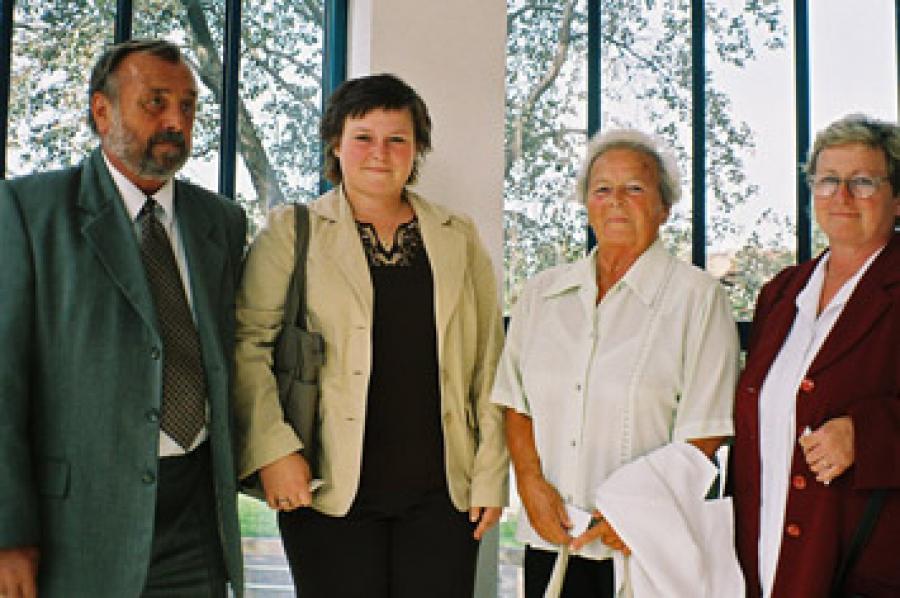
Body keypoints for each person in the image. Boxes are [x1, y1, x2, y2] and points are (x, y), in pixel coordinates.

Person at [233, 73, 507, 597]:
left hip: (442, 493)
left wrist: (491, 473)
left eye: (397, 139)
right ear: (337, 143)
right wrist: (272, 451)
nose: (379, 153)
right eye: (363, 137)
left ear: (417, 149)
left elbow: (489, 361)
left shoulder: (458, 236)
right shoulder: (291, 231)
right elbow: (249, 345)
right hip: (325, 488)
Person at [0, 39, 247, 597]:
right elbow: (3, 384)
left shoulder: (222, 223)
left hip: (196, 523)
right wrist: (7, 534)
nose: (175, 121)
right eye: (154, 102)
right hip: (79, 526)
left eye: (187, 106)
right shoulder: (28, 212)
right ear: (101, 110)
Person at [492, 128, 740, 597]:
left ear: (664, 207)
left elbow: (705, 428)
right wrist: (528, 482)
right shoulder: (542, 294)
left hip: (642, 545)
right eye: (602, 189)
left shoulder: (697, 298)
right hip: (552, 533)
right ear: (586, 203)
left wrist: (638, 516)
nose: (616, 201)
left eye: (635, 188)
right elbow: (515, 402)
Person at [732, 114, 900, 597]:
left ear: (896, 196)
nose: (841, 197)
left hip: (863, 567)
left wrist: (865, 436)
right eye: (828, 180)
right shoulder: (781, 294)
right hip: (766, 560)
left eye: (863, 181)